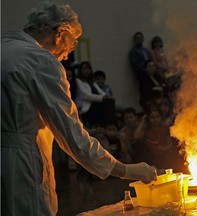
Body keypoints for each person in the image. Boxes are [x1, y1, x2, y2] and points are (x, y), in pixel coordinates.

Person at [1, 2, 157, 215]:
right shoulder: (40, 61)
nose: (65, 56)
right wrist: (125, 170)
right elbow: (72, 136)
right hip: (21, 168)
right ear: (60, 32)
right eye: (69, 46)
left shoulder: (4, 48)